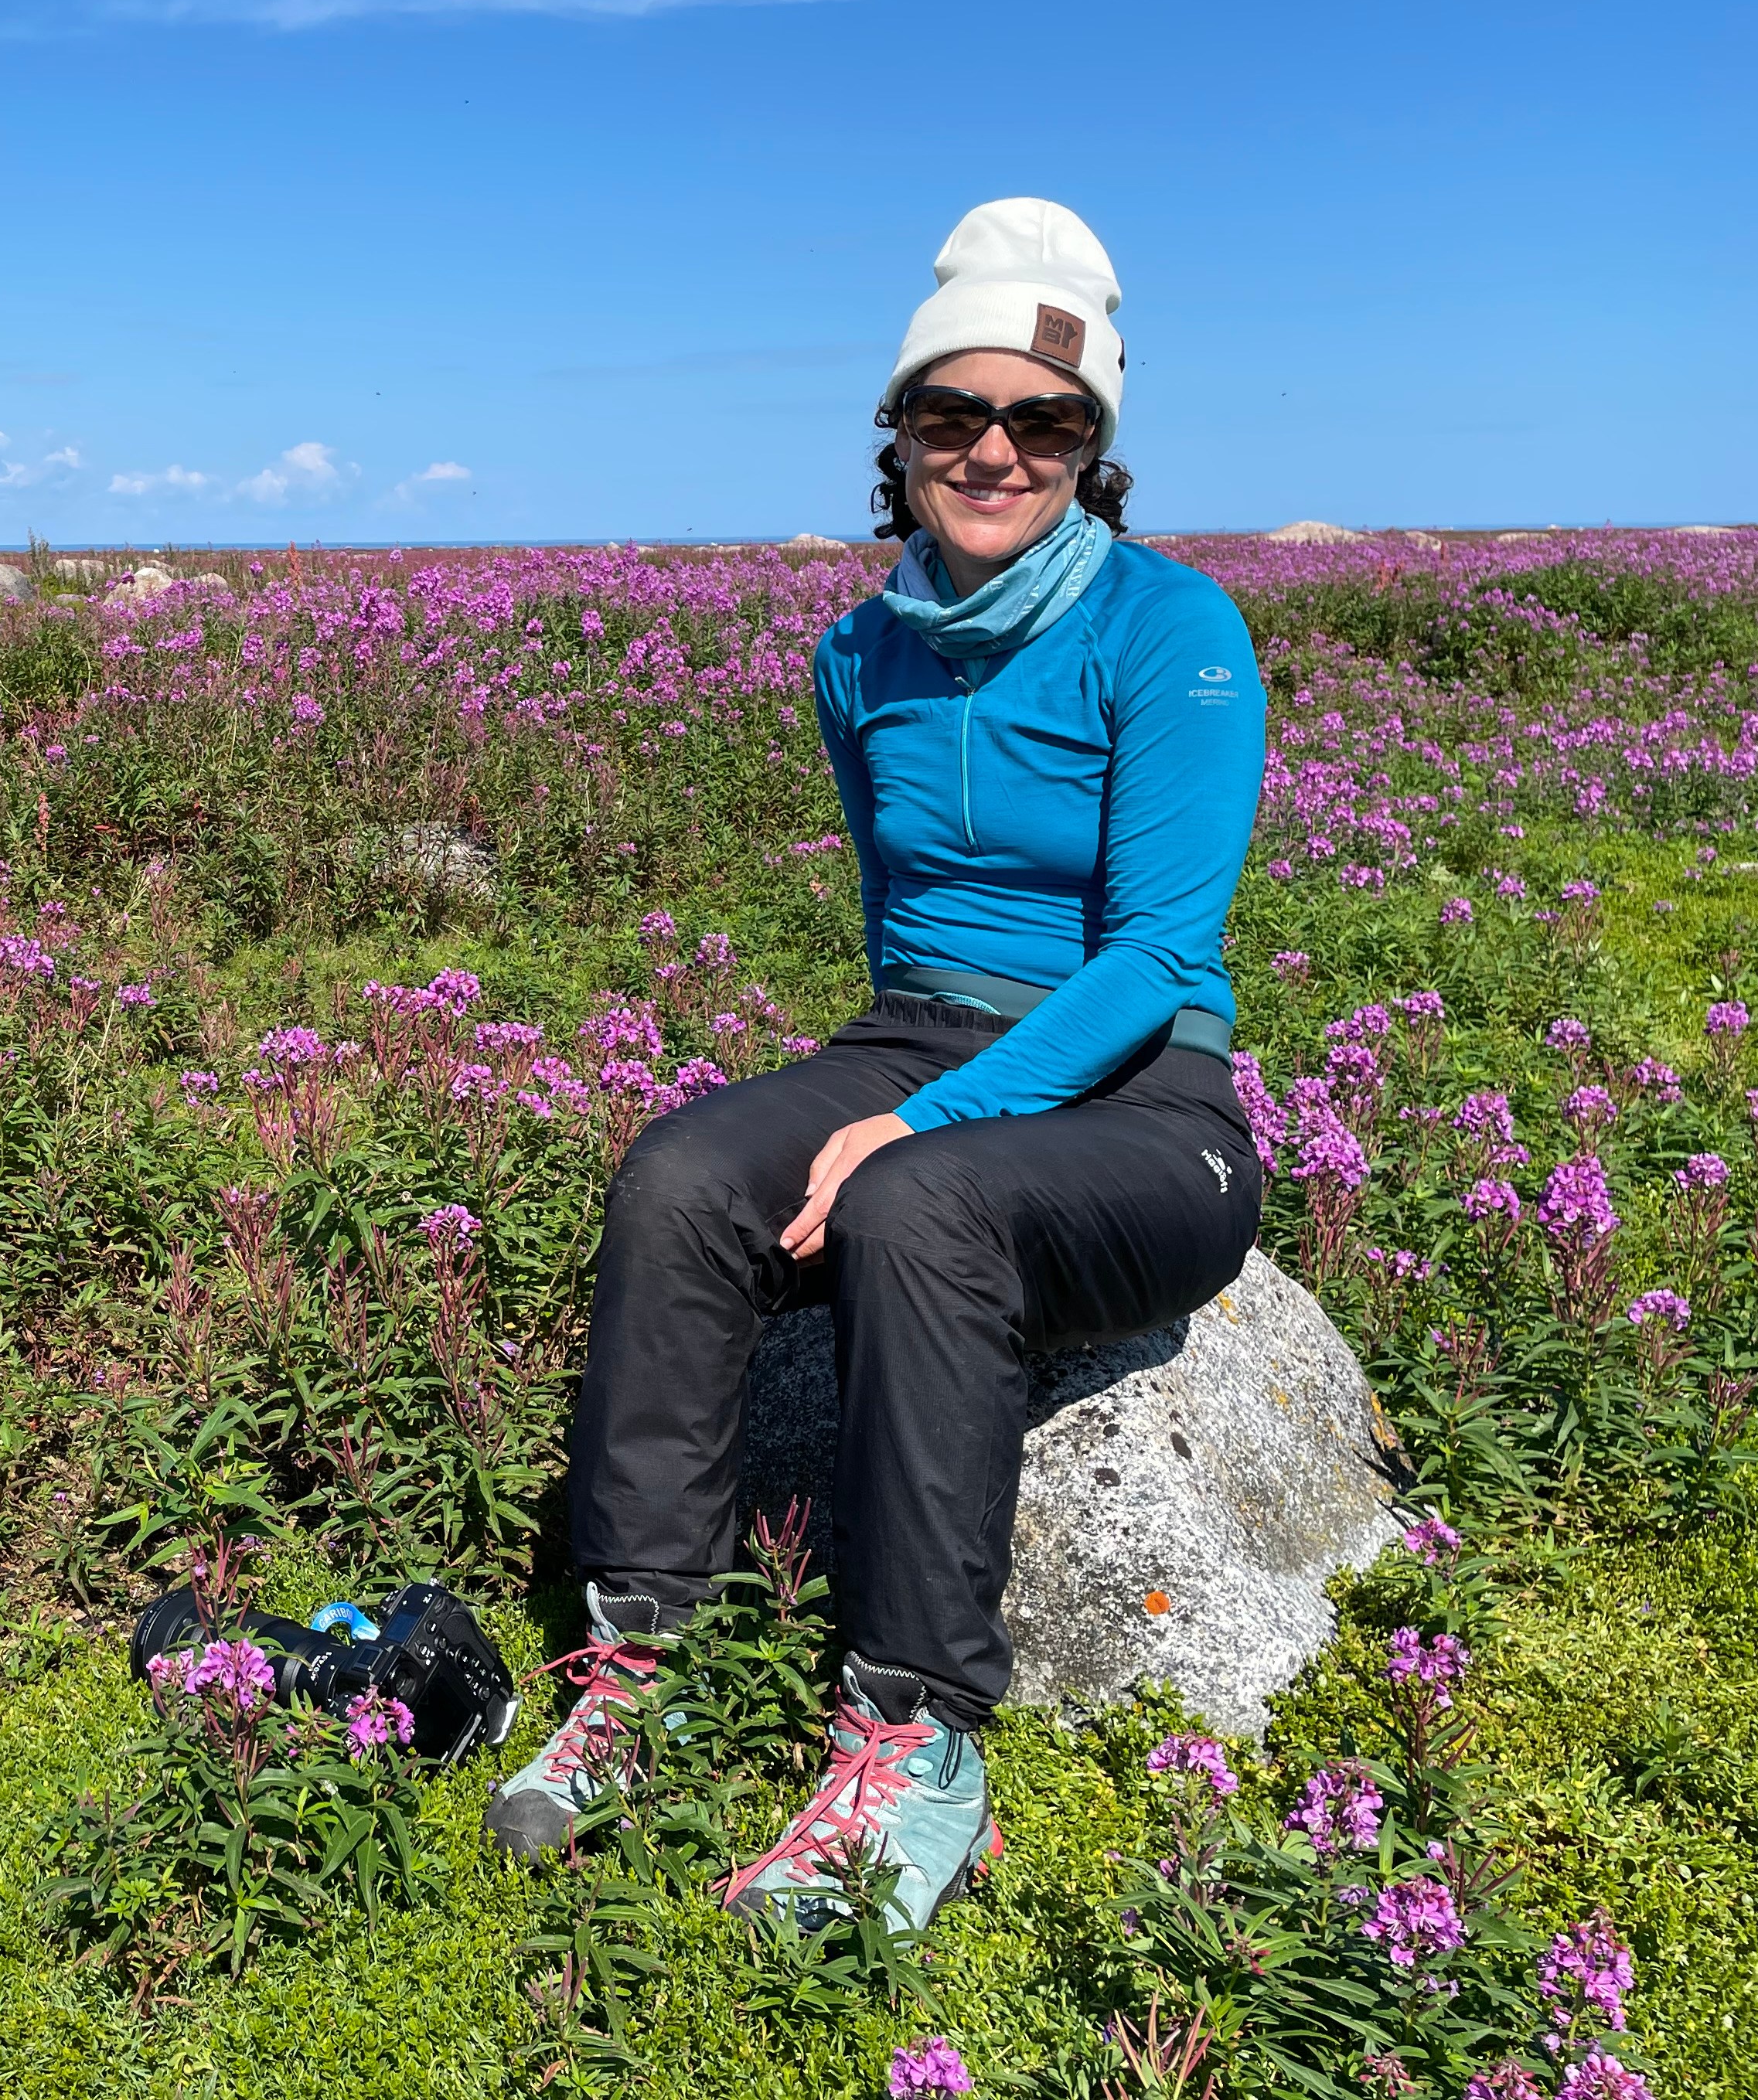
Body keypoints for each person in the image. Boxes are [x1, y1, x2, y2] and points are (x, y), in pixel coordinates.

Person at [484, 199, 1269, 1933]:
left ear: (1094, 450)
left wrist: (917, 1119)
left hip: (1147, 1093)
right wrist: (898, 1082)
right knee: (685, 1172)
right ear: (900, 436)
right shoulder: (860, 654)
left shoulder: (1177, 626)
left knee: (920, 1203)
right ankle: (632, 1670)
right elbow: (902, 911)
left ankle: (914, 1738)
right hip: (919, 1029)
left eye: (1044, 422)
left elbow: (1152, 956)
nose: (995, 450)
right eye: (952, 415)